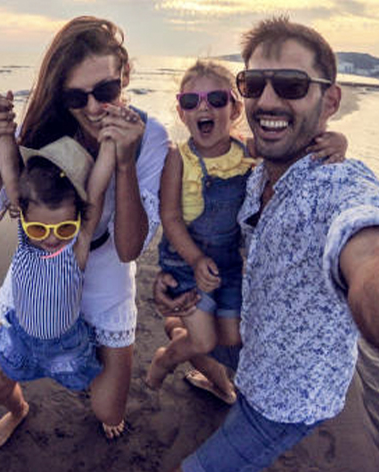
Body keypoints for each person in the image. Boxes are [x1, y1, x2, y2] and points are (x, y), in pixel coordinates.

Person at [157, 16, 379, 472]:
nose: (268, 100)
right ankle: (209, 371)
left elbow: (378, 250)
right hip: (254, 343)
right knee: (191, 327)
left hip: (284, 400)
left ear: (330, 100)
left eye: (292, 86)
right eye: (254, 84)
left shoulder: (337, 186)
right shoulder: (257, 170)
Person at [0, 16, 171, 439]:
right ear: (60, 95)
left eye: (106, 91)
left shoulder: (150, 137)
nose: (95, 108)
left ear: (125, 77)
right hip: (38, 262)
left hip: (101, 265)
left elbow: (128, 249)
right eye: (76, 97)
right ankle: (19, 410)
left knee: (108, 412)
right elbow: (2, 198)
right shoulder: (50, 127)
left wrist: (123, 161)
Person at [143, 59, 346, 402]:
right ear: (181, 113)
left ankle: (183, 334)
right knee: (205, 341)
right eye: (191, 102)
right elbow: (171, 217)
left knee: (232, 335)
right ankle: (167, 359)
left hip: (229, 261)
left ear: (236, 109)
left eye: (216, 100)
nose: (203, 108)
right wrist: (194, 260)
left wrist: (338, 141)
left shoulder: (247, 150)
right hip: (186, 258)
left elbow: (299, 147)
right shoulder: (179, 158)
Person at [0, 135, 115, 452]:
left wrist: (109, 145)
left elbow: (95, 190)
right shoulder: (26, 239)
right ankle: (18, 411)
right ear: (23, 217)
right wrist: (2, 134)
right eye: (40, 229)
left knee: (91, 385)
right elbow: (11, 177)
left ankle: (106, 413)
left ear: (78, 221)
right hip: (22, 338)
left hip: (67, 345)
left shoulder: (76, 247)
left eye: (63, 229)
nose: (52, 239)